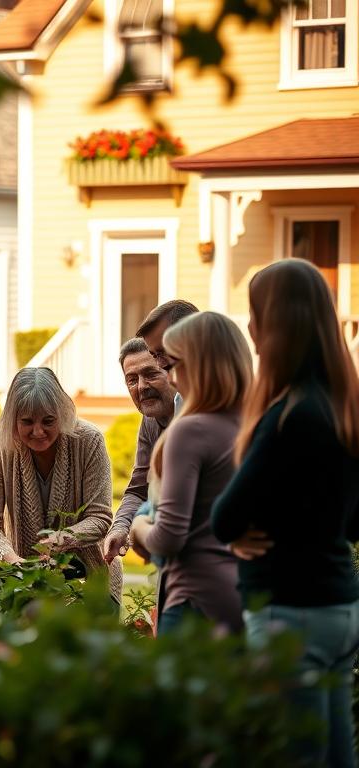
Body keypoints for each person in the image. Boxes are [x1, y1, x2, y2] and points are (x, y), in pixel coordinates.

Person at [211, 259, 359, 766]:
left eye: (255, 314)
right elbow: (353, 522)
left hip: (289, 614)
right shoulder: (342, 406)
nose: (248, 327)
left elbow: (225, 517)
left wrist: (241, 531)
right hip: (340, 610)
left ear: (277, 323)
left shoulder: (288, 416)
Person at [128, 312, 250, 635]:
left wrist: (138, 528)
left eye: (174, 364)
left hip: (192, 598)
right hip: (239, 595)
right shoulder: (249, 426)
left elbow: (168, 537)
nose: (172, 377)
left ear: (201, 365)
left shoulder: (190, 430)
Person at [0, 367, 121, 602]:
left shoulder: (89, 440)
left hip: (91, 581)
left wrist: (60, 540)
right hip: (27, 584)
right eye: (26, 422)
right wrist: (12, 560)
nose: (38, 431)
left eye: (48, 421)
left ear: (62, 414)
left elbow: (101, 518)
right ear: (13, 419)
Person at [101, 338, 178, 562]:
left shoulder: (193, 420)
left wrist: (140, 527)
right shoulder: (150, 420)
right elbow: (138, 489)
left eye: (151, 374)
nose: (141, 386)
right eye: (132, 380)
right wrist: (120, 528)